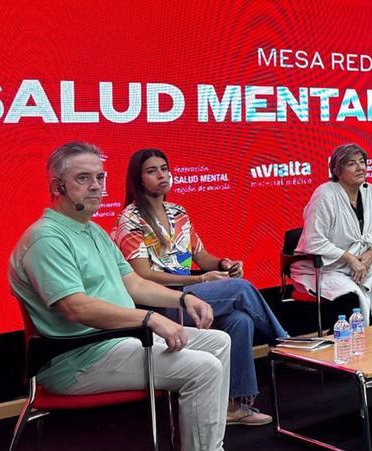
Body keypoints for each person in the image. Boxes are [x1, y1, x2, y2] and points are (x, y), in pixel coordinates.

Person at [9, 142, 254, 451]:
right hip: (77, 358)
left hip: (114, 343)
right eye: (83, 178)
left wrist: (184, 299)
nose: (96, 186)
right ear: (58, 187)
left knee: (219, 340)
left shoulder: (93, 231)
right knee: (204, 368)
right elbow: (75, 308)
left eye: (99, 177)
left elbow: (134, 283)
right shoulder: (46, 239)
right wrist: (149, 320)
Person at [113, 148, 287, 427]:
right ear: (138, 178)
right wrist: (199, 280)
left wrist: (224, 263)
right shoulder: (131, 219)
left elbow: (201, 257)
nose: (162, 175)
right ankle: (284, 344)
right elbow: (143, 275)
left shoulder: (177, 212)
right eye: (152, 171)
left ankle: (234, 405)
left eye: (164, 168)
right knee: (240, 289)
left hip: (188, 295)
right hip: (162, 305)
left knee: (240, 320)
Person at [291, 143, 372, 321]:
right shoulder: (324, 195)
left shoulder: (370, 191)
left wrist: (371, 253)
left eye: (362, 162)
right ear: (337, 170)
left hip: (363, 264)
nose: (360, 168)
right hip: (326, 268)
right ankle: (344, 337)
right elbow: (314, 240)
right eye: (351, 164)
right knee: (352, 296)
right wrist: (350, 259)